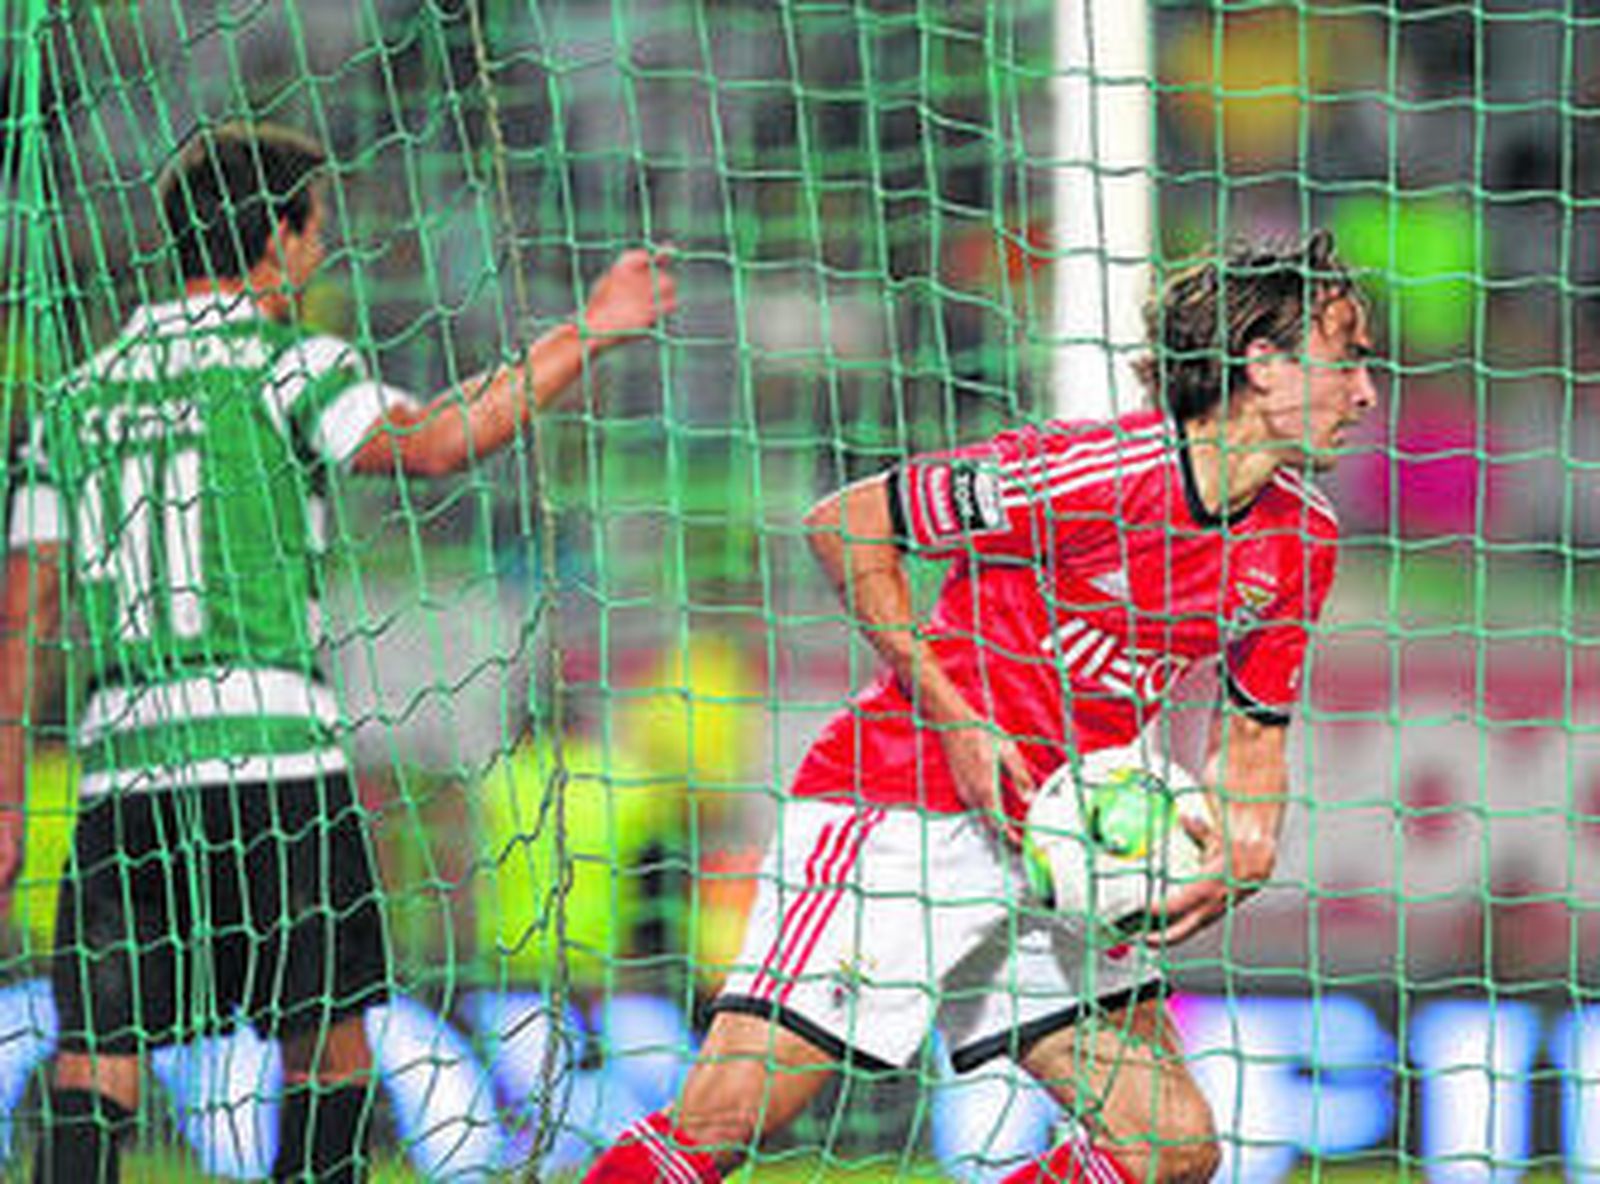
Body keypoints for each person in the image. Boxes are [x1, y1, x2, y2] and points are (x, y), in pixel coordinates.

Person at [580, 229, 1378, 1184]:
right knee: (726, 1120)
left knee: (1167, 1147)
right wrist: (956, 716)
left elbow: (1253, 732)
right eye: (1349, 359)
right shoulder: (1095, 475)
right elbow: (845, 523)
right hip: (902, 808)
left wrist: (1249, 844)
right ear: (1262, 362)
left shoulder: (1302, 540)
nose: (1366, 394)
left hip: (1064, 855)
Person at [0, 121, 675, 1182]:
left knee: (98, 1055)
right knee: (328, 1044)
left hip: (126, 778)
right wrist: (590, 329)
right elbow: (438, 443)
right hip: (276, 766)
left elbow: (23, 613)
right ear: (279, 233)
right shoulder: (292, 366)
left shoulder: (74, 401)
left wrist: (2, 793)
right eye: (317, 231)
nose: (322, 254)